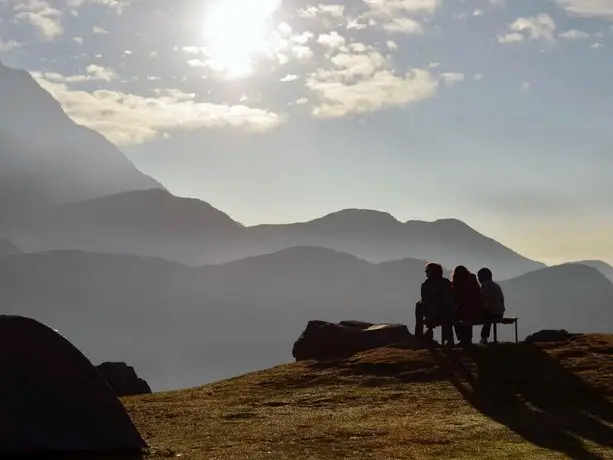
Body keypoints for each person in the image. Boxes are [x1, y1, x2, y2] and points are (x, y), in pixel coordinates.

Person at [416, 262, 455, 347]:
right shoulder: (446, 283)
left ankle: (419, 334)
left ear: (431, 272)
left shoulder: (426, 284)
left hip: (434, 315)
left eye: (427, 271)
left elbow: (425, 300)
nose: (426, 273)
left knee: (419, 306)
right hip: (449, 314)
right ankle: (448, 340)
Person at [451, 265, 484, 347]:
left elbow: (456, 299)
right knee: (467, 316)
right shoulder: (472, 280)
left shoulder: (458, 283)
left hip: (464, 310)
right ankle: (468, 339)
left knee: (455, 317)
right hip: (477, 309)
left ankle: (462, 339)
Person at [477, 267, 505, 344]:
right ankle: (484, 337)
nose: (478, 279)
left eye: (479, 277)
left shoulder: (485, 286)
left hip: (491, 313)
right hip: (500, 313)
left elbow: (482, 300)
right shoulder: (496, 285)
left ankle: (483, 337)